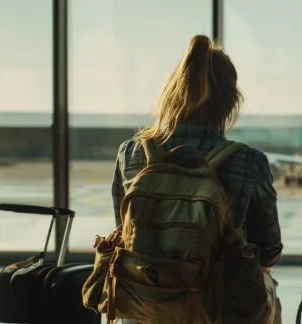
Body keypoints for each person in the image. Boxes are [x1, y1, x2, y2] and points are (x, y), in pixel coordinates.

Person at [110, 35, 283, 324]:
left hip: (141, 309)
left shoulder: (131, 153)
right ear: (230, 103)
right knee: (268, 291)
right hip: (216, 311)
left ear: (173, 92)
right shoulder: (249, 160)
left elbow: (122, 228)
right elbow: (269, 251)